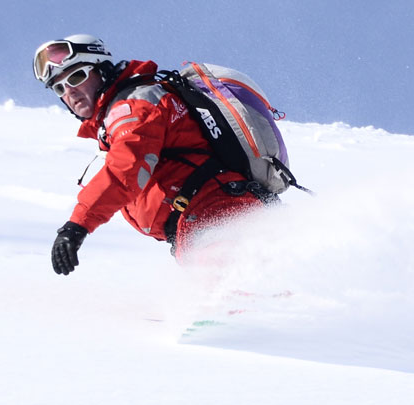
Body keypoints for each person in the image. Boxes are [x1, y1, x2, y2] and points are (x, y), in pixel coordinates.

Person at [34, 34, 266, 276]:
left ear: (102, 71)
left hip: (213, 209)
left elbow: (125, 170)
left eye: (77, 76)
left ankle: (234, 312)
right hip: (202, 217)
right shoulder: (121, 115)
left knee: (232, 288)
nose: (70, 91)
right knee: (249, 284)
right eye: (59, 88)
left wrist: (77, 225)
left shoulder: (132, 106)